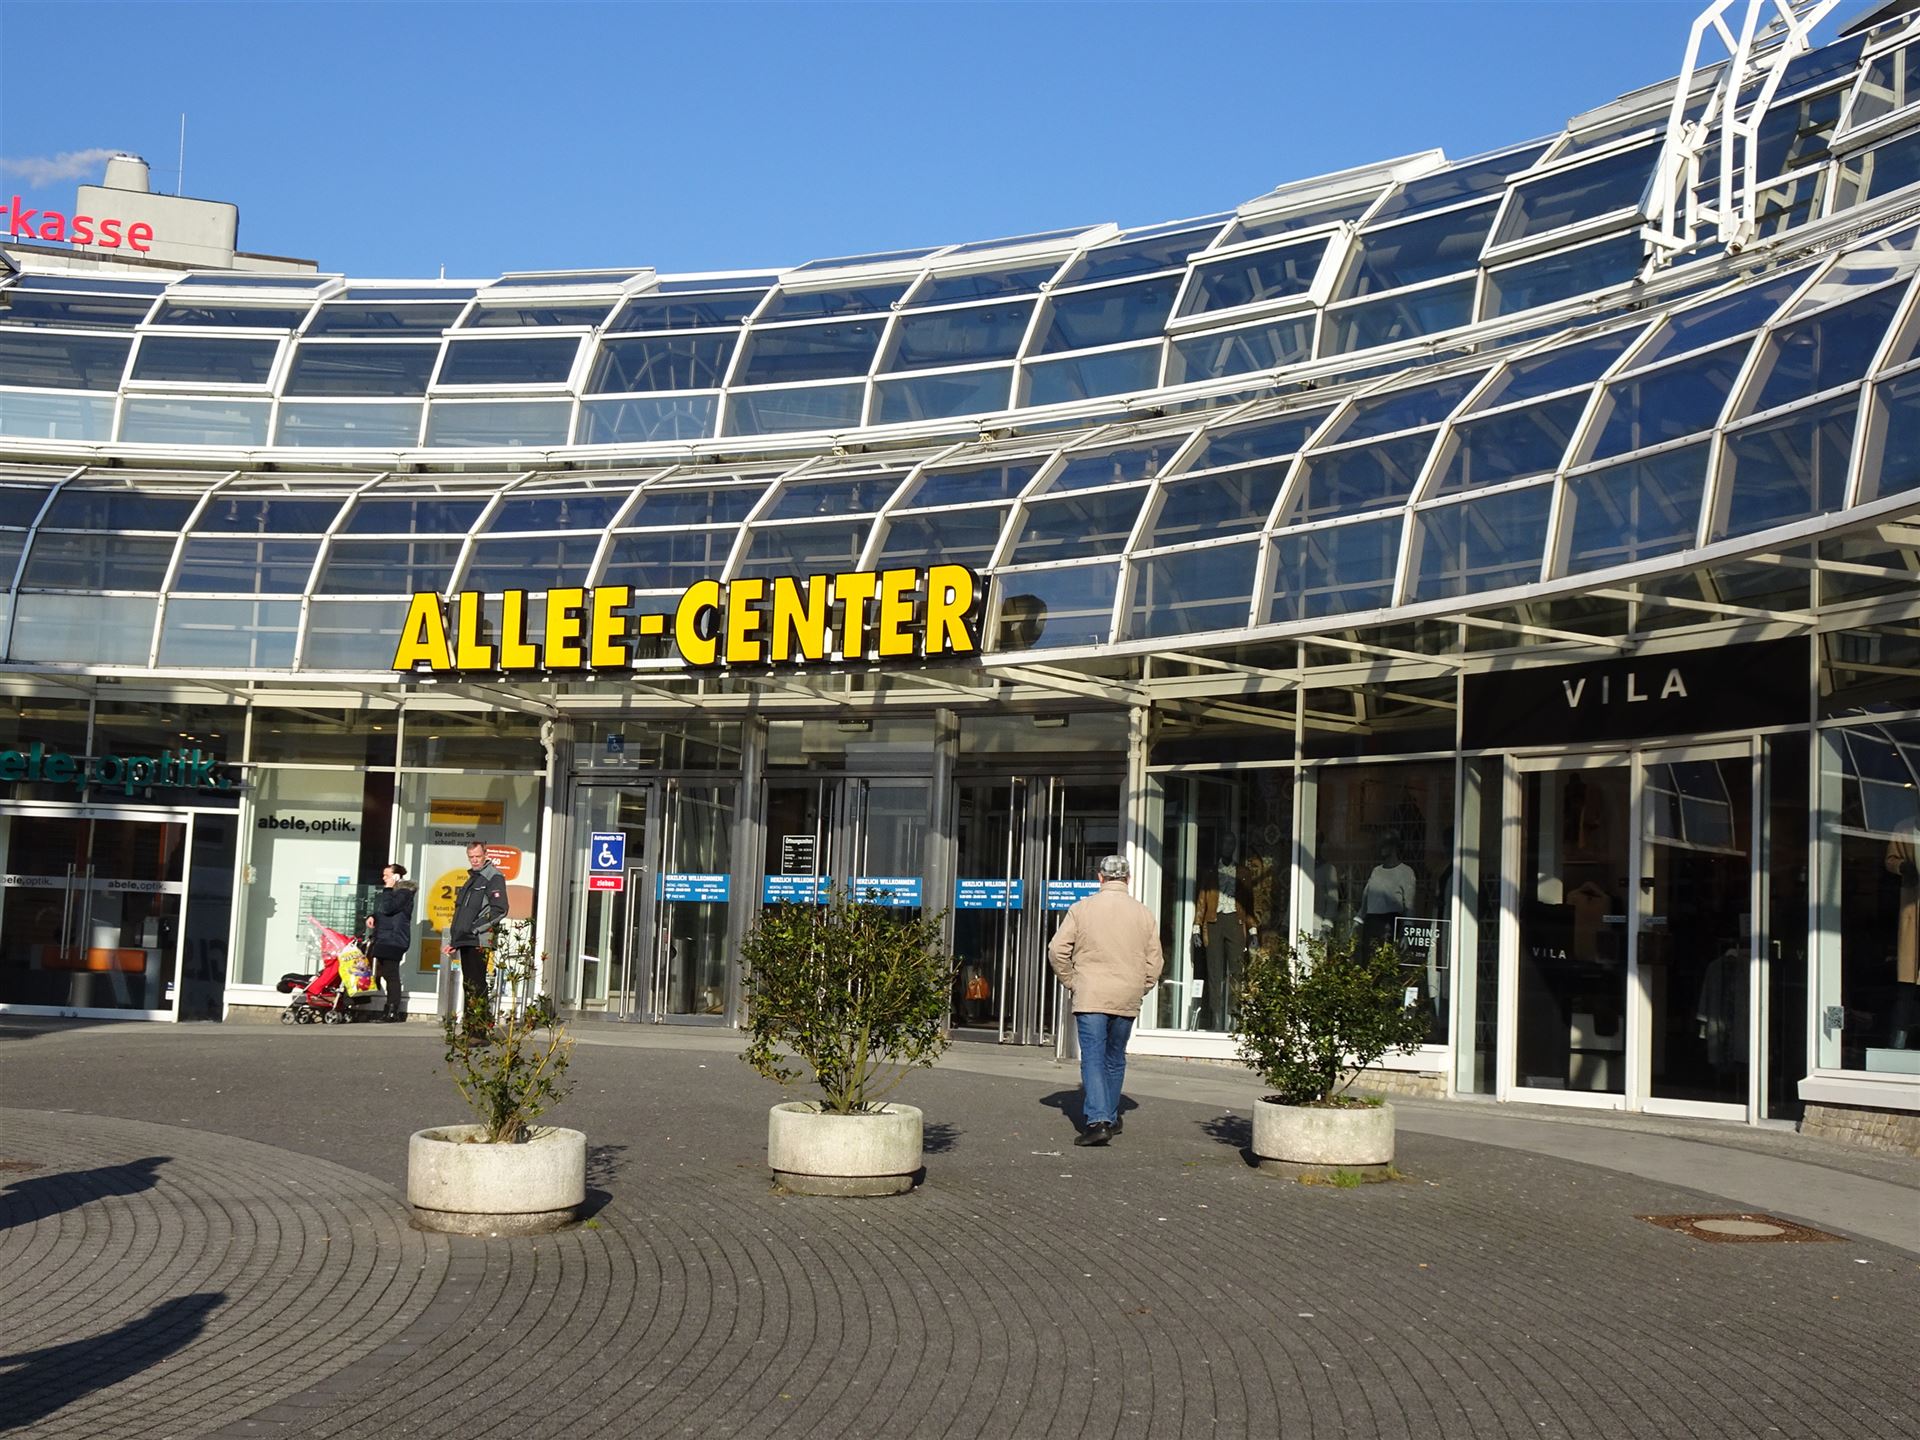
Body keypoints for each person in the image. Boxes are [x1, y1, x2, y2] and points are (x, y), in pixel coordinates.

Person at [1048, 854, 1164, 1148]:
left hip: (1091, 994)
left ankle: (1098, 1121)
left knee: (1093, 1057)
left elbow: (1057, 950)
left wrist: (1072, 981)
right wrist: (1141, 986)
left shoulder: (1081, 909)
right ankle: (1110, 1117)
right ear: (1128, 879)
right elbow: (1155, 961)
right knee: (1115, 1057)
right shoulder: (1143, 913)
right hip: (1127, 993)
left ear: (1100, 877)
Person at [446, 841, 508, 1026]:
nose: (474, 860)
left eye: (478, 856)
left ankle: (479, 1030)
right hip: (465, 939)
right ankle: (470, 1028)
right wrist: (455, 940)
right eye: (471, 857)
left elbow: (499, 909)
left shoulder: (493, 877)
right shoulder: (472, 879)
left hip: (479, 939)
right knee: (469, 985)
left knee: (477, 985)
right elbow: (462, 913)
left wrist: (474, 929)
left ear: (485, 855)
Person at [363, 862, 416, 1023]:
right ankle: (388, 1008)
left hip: (394, 939)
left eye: (387, 875)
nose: (383, 878)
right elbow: (383, 911)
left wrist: (387, 889)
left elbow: (388, 908)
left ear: (396, 876)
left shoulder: (404, 893)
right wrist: (372, 916)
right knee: (384, 973)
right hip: (385, 937)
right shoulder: (393, 893)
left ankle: (392, 1011)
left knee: (391, 974)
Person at [1359, 834, 1417, 955]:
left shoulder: (1405, 872)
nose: (1381, 848)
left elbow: (1409, 906)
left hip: (1389, 923)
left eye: (1385, 844)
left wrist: (1407, 934)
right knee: (1367, 959)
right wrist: (1358, 921)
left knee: (1385, 958)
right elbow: (1366, 898)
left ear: (1394, 846)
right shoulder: (1376, 871)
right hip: (1371, 922)